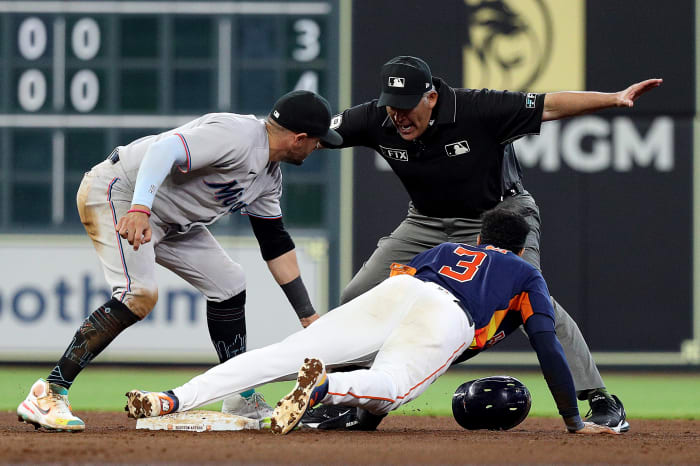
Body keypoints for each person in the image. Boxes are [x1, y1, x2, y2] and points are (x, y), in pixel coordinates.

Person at [310, 55, 660, 431]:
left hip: (498, 213)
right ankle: (346, 396)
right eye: (392, 107)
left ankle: (600, 398)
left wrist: (615, 97)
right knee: (359, 294)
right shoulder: (376, 118)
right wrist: (264, 134)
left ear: (431, 97)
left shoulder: (477, 108)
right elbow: (311, 130)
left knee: (531, 297)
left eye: (408, 106)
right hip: (424, 220)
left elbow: (551, 104)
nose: (398, 116)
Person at [124, 209, 619, 436]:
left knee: (278, 354)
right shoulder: (523, 272)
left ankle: (171, 398)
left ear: (482, 236)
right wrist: (573, 421)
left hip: (402, 288)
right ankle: (324, 387)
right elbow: (548, 344)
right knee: (393, 383)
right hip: (449, 315)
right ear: (517, 246)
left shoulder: (448, 248)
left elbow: (400, 283)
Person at [16, 90, 342, 432]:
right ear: (299, 138)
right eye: (318, 140)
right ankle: (49, 392)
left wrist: (308, 315)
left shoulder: (268, 177)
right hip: (121, 190)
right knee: (137, 295)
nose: (319, 146)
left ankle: (239, 394)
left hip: (171, 221)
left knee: (229, 283)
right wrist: (140, 208)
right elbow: (164, 149)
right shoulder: (238, 134)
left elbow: (275, 243)